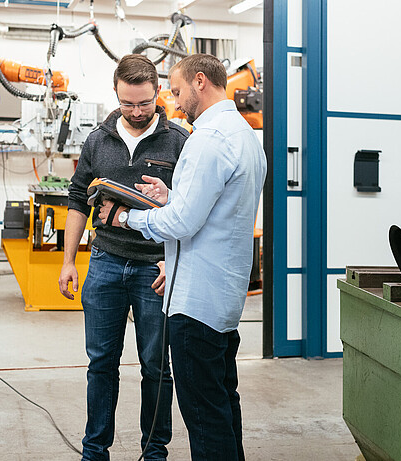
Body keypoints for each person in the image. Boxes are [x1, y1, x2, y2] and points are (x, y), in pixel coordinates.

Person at [98, 53, 267, 461]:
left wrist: (125, 218)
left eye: (176, 91)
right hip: (222, 300)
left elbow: (183, 224)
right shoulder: (244, 136)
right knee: (223, 405)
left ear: (200, 82)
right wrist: (170, 198)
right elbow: (215, 212)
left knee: (203, 417)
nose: (174, 101)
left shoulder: (206, 139)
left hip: (195, 304)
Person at [59, 54, 189, 461]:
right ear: (116, 93)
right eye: (128, 103)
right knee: (101, 363)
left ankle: (155, 453)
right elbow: (78, 199)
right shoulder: (98, 139)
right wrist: (68, 262)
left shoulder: (179, 141)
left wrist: (175, 258)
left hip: (155, 267)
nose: (136, 111)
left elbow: (190, 208)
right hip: (105, 263)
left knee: (156, 367)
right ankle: (94, 451)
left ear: (158, 94)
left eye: (144, 103)